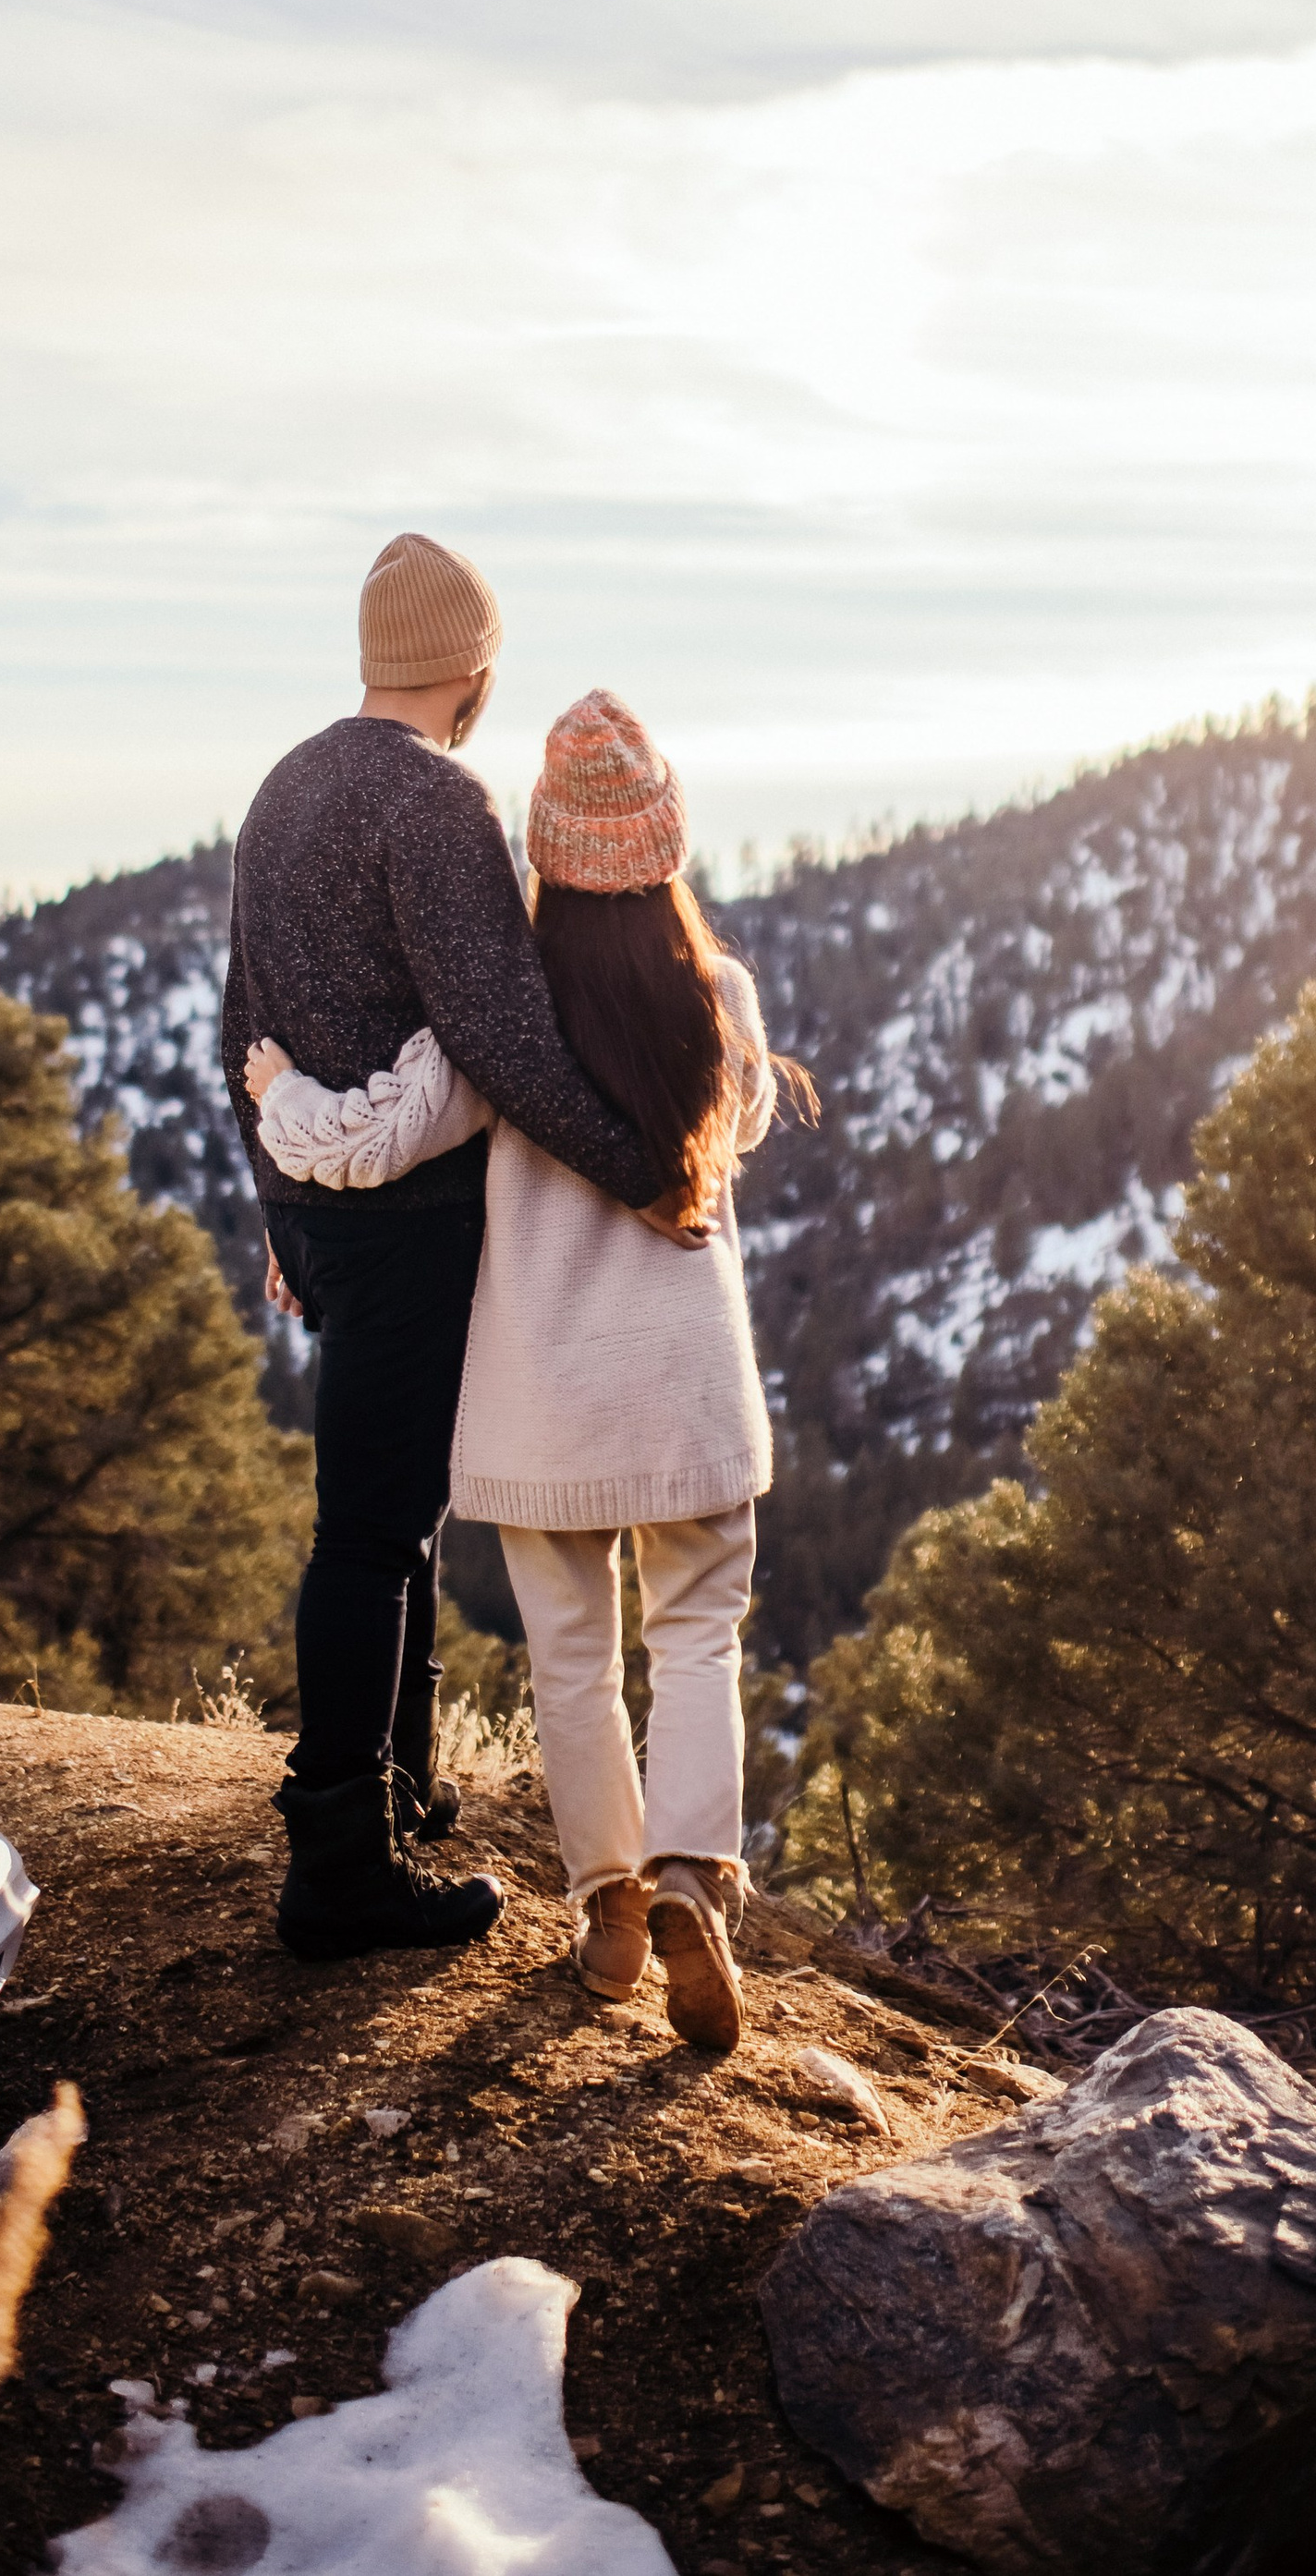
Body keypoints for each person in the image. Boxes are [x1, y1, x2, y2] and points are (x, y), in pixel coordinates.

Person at [248, 688, 814, 2054]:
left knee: (572, 1658)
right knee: (697, 1638)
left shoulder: (497, 1021)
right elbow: (735, 1129)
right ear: (666, 851)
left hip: (544, 1401)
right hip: (687, 1390)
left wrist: (277, 1096)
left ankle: (608, 1905)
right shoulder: (720, 998)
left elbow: (376, 1140)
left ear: (544, 861)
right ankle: (694, 1884)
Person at [223, 536, 684, 1963]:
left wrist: (280, 1213)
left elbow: (241, 1027)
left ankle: (404, 1791)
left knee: (395, 1516)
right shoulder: (438, 802)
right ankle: (339, 1870)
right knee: (370, 1533)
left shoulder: (286, 784)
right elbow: (501, 1037)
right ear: (473, 673)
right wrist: (643, 1173)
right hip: (412, 1228)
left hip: (326, 1215)